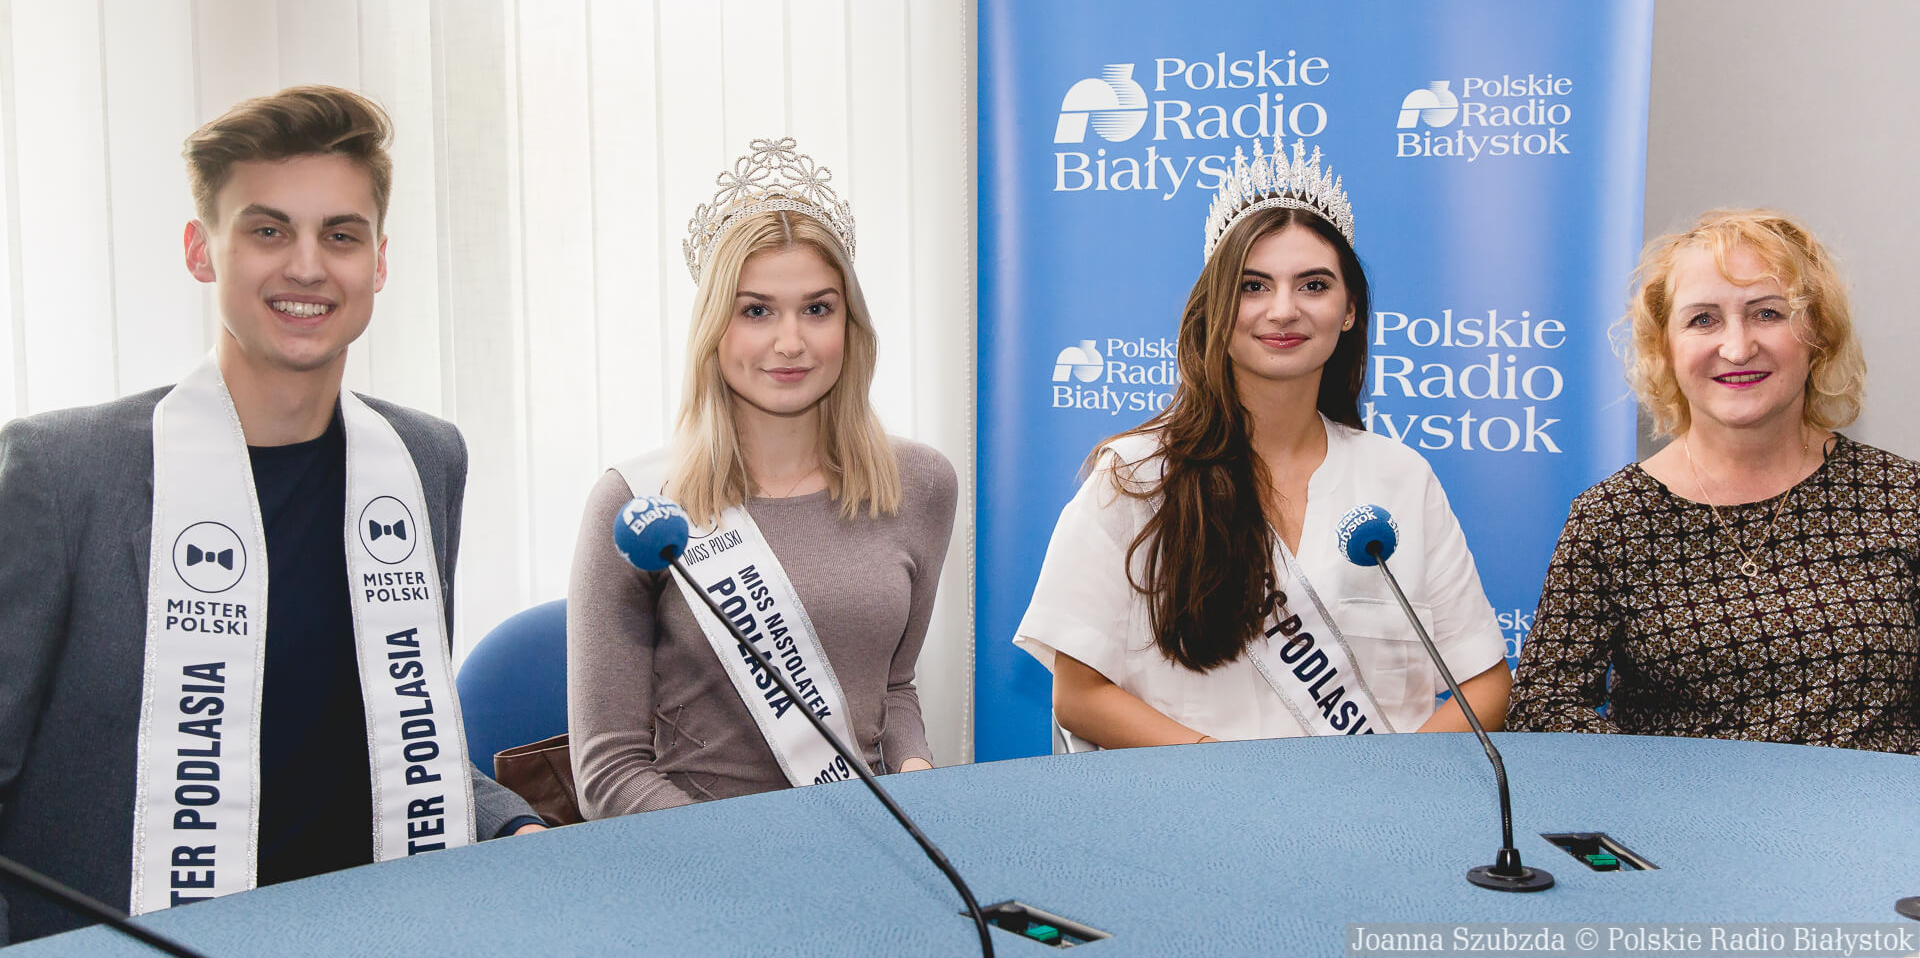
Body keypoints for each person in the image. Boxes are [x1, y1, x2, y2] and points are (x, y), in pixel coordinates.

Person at [0, 86, 541, 946]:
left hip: (373, 929)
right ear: (200, 251)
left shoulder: (424, 461)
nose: (306, 267)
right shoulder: (63, 477)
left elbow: (392, 731)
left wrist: (512, 823)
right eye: (266, 230)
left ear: (379, 260)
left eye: (340, 234)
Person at [1014, 138, 1510, 748]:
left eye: (1313, 285)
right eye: (1253, 286)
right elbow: (1080, 695)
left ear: (1349, 310)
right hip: (1193, 822)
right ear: (1217, 306)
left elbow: (1484, 685)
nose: (1283, 310)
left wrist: (1389, 786)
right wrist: (1237, 785)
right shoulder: (1137, 478)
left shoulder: (1401, 478)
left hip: (1374, 826)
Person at [567, 136, 956, 817]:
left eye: (816, 308)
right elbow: (609, 771)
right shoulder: (637, 507)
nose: (789, 342)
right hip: (702, 867)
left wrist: (916, 768)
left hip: (873, 843)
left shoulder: (920, 484)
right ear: (714, 330)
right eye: (756, 311)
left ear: (850, 326)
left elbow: (892, 689)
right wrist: (755, 862)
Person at [1507, 210, 1918, 751]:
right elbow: (1543, 705)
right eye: (1703, 320)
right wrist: (1660, 790)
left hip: (1877, 827)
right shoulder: (1613, 517)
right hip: (1684, 829)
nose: (1737, 347)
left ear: (1817, 332)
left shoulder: (1900, 497)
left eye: (1767, 313)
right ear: (1665, 348)